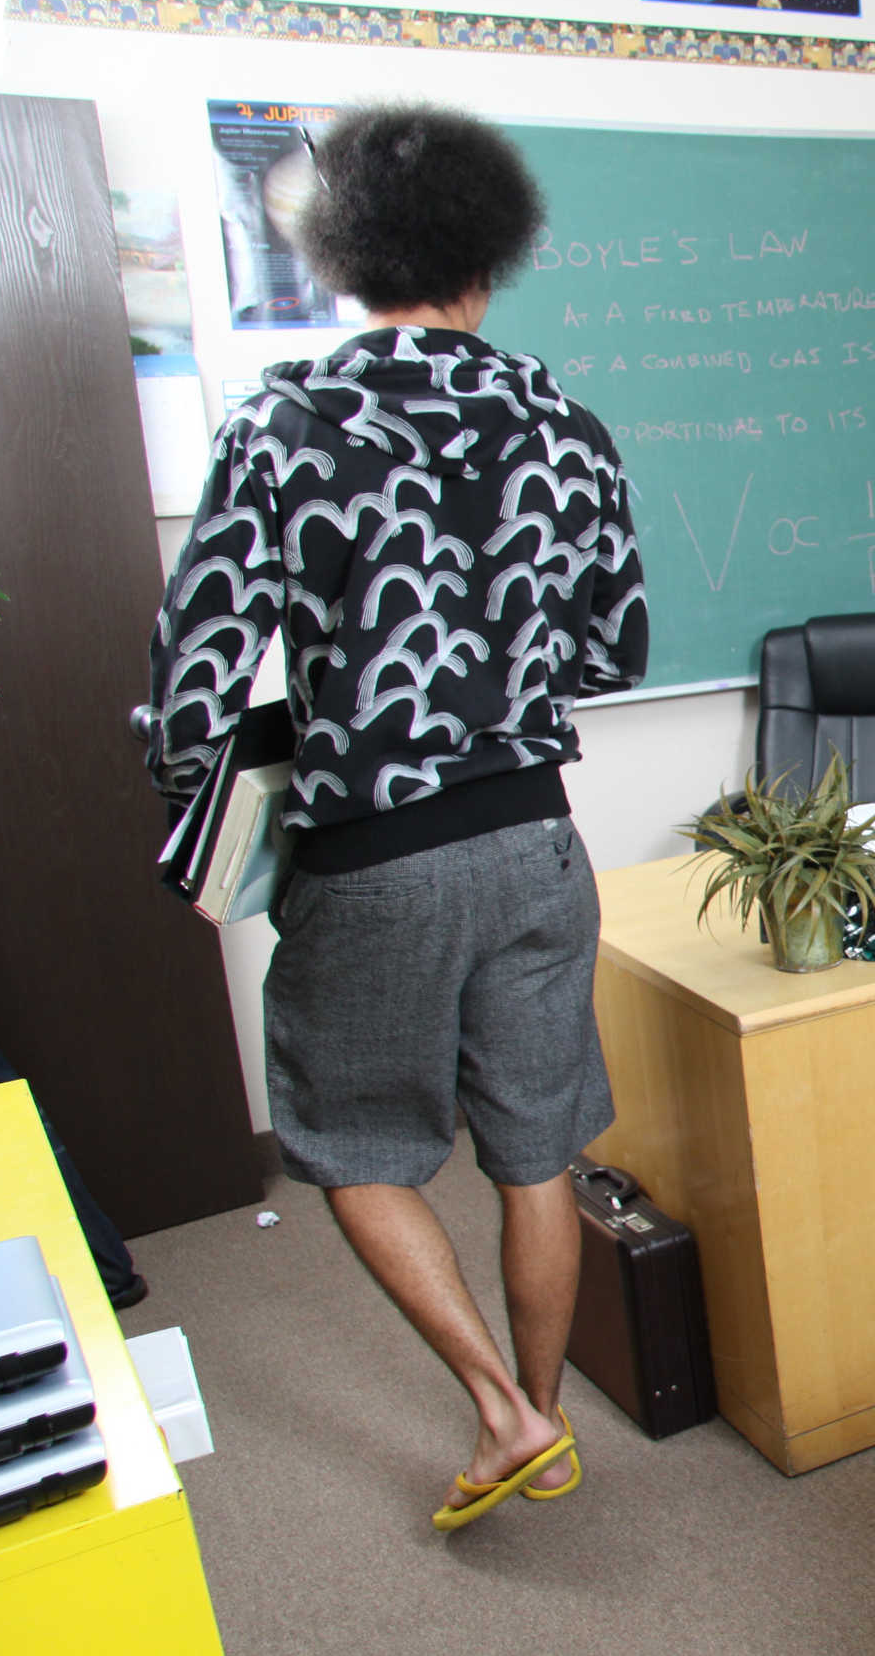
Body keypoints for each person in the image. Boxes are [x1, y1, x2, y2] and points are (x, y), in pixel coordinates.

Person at [144, 103, 647, 1534]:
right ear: (487, 260)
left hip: (375, 856)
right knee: (535, 1150)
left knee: (359, 1146)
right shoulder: (565, 423)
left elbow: (195, 676)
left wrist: (203, 800)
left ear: (345, 260)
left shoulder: (283, 422)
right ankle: (541, 1411)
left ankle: (504, 1411)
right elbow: (614, 648)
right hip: (537, 842)